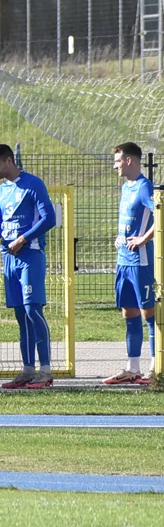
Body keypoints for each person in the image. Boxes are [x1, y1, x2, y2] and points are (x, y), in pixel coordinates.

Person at [0, 144, 57, 390]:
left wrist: (23, 238)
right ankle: (27, 369)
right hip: (8, 257)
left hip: (30, 255)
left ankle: (45, 370)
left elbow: (50, 219)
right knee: (20, 315)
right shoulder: (2, 190)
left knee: (32, 309)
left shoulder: (33, 184)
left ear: (9, 161)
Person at [108, 142, 155, 385]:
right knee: (129, 312)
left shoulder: (146, 187)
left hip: (141, 262)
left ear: (129, 161)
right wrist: (121, 238)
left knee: (150, 314)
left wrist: (144, 238)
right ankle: (132, 368)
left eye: (117, 161)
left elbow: (161, 214)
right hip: (123, 261)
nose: (115, 165)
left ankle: (157, 368)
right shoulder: (127, 187)